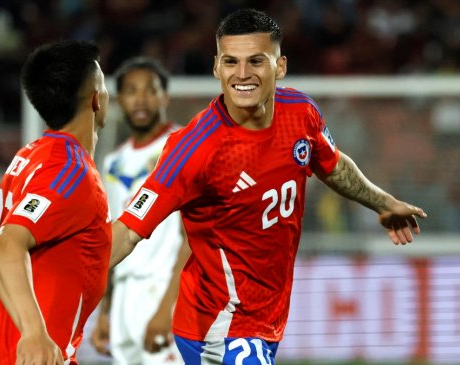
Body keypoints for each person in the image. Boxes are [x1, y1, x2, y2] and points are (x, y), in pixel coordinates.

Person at [108, 8, 427, 364]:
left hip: (266, 318)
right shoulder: (194, 149)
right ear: (216, 67)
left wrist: (382, 202)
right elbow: (127, 231)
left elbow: (332, 165)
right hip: (220, 325)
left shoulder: (300, 112)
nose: (242, 75)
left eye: (256, 61)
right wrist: (50, 294)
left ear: (280, 66)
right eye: (231, 62)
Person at [0, 40, 111, 365]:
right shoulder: (69, 172)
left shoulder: (30, 156)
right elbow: (6, 246)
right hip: (29, 354)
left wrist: (149, 212)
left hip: (4, 349)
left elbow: (81, 250)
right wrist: (34, 333)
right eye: (103, 85)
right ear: (95, 100)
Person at [90, 57, 188, 365]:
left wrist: (167, 308)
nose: (141, 98)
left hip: (165, 289)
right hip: (123, 298)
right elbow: (111, 238)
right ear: (119, 100)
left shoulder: (184, 147)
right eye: (132, 91)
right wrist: (105, 312)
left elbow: (193, 236)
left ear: (165, 97)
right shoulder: (112, 163)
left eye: (150, 89)